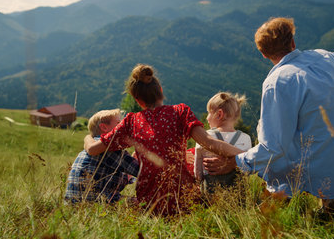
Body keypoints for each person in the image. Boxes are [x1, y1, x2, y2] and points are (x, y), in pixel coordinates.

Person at [204, 17, 334, 209]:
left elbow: (273, 147)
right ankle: (331, 201)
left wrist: (236, 162)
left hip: (310, 168)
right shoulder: (324, 58)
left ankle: (280, 201)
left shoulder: (277, 82)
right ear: (292, 42)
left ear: (263, 54)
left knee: (279, 152)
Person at [84, 64, 243, 216]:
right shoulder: (180, 112)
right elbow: (209, 142)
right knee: (192, 155)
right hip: (184, 200)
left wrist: (88, 136)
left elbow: (92, 149)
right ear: (160, 90)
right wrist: (248, 155)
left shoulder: (130, 122)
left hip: (149, 203)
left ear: (137, 100)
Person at [65, 109, 140, 204]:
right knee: (143, 203)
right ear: (104, 127)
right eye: (118, 123)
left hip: (73, 203)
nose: (122, 127)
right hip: (95, 203)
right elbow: (141, 171)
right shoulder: (109, 148)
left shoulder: (94, 144)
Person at [194, 92, 252, 193]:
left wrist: (198, 186)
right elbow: (248, 170)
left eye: (209, 112)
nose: (207, 118)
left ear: (219, 114)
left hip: (211, 196)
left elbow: (197, 172)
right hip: (238, 197)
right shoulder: (246, 139)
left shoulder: (205, 138)